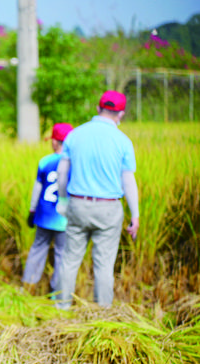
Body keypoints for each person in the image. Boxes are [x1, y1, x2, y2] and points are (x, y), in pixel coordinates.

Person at [55, 90, 140, 309]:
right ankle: (102, 313)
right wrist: (135, 215)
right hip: (109, 208)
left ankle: (62, 308)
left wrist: (63, 201)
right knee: (103, 265)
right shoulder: (123, 141)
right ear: (120, 114)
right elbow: (128, 181)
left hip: (78, 204)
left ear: (97, 109)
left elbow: (62, 172)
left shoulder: (75, 135)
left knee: (70, 260)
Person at [22, 123, 73, 295]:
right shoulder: (73, 163)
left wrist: (31, 211)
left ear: (55, 142)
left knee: (38, 249)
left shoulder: (45, 161)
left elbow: (37, 189)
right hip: (65, 218)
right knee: (61, 255)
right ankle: (57, 293)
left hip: (44, 215)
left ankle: (28, 286)